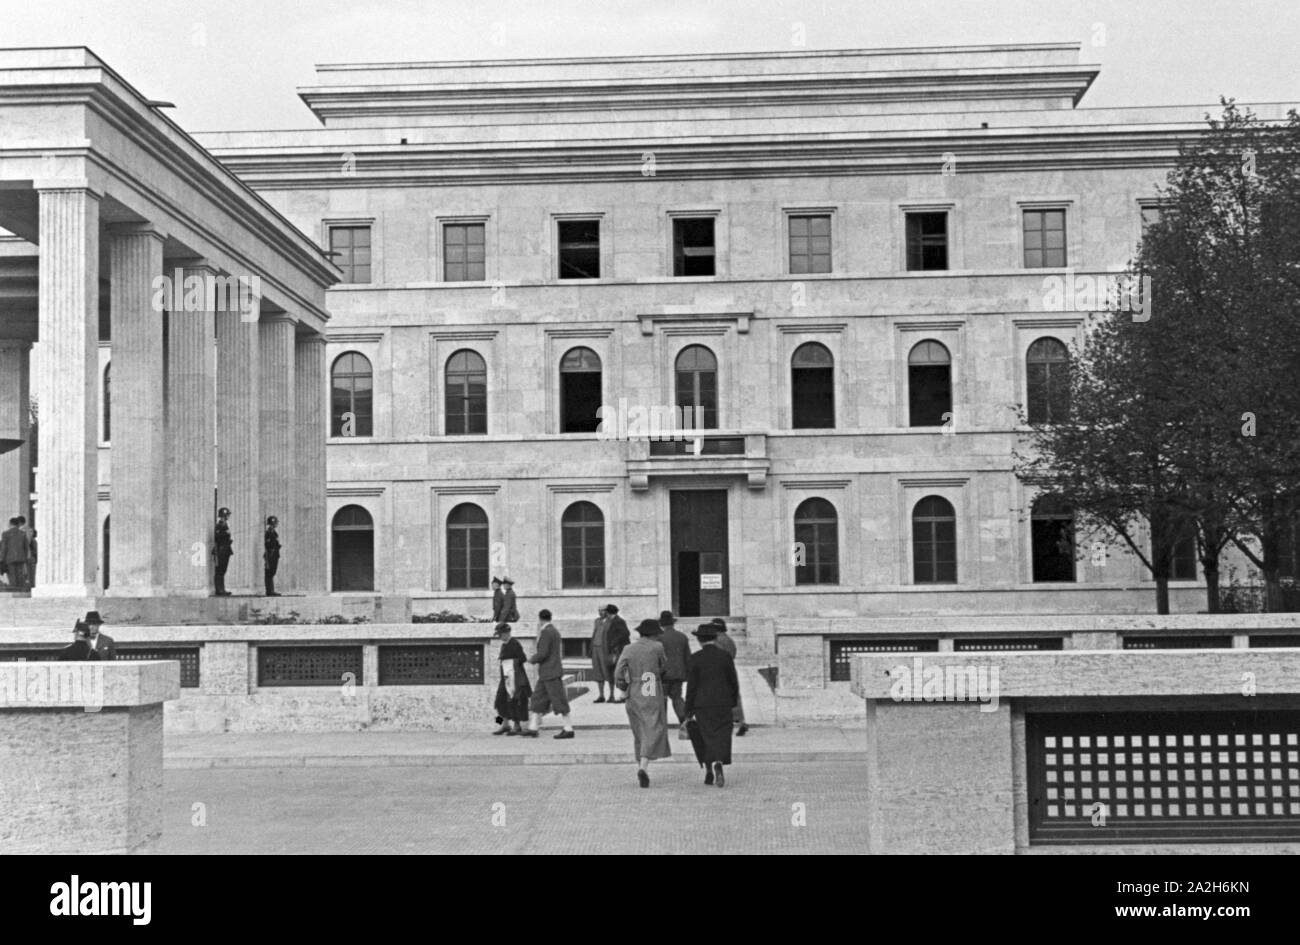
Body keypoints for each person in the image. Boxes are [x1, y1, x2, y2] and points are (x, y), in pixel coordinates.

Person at [614, 618, 672, 787]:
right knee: (653, 726)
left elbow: (619, 671)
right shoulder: (657, 647)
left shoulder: (628, 648)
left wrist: (623, 685)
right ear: (654, 634)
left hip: (634, 687)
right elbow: (664, 665)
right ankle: (644, 766)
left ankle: (640, 763)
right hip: (650, 685)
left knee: (638, 728)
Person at [686, 622, 741, 787]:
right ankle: (719, 762)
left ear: (699, 640)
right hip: (723, 702)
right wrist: (733, 701)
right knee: (722, 735)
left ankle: (708, 768)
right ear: (715, 638)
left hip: (702, 704)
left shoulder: (695, 658)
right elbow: (733, 682)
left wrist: (688, 708)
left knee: (705, 735)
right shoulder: (725, 656)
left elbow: (692, 686)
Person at [522, 609, 574, 739]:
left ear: (540, 619)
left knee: (559, 701)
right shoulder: (554, 631)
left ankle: (568, 729)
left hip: (550, 672)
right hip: (548, 672)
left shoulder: (546, 632)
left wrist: (532, 659)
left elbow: (543, 653)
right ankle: (533, 728)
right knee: (537, 699)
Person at [711, 617, 749, 736]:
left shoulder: (716, 641)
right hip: (731, 669)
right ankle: (741, 721)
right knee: (735, 696)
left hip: (719, 671)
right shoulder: (729, 640)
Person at [491, 622, 531, 735]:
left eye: (500, 634)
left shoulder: (515, 644)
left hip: (516, 678)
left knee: (515, 701)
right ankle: (504, 724)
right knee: (499, 701)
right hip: (505, 677)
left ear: (507, 633)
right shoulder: (504, 644)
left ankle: (517, 725)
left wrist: (512, 663)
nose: (499, 637)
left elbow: (523, 658)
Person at [657, 610, 691, 737]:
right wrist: (687, 673)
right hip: (678, 674)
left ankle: (661, 725)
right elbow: (687, 657)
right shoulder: (682, 637)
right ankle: (684, 722)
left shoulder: (658, 638)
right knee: (677, 698)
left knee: (662, 699)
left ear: (661, 624)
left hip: (663, 674)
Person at [604, 604, 630, 703]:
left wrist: (613, 643)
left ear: (608, 612)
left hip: (619, 650)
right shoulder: (614, 621)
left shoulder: (618, 621)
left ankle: (623, 694)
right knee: (616, 672)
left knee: (619, 673)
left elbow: (625, 634)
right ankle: (622, 694)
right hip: (617, 650)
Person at [589, 605, 613, 702]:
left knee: (608, 671)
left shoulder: (610, 621)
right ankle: (601, 695)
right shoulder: (597, 621)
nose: (600, 612)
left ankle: (611, 695)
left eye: (602, 610)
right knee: (598, 672)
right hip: (595, 648)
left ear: (606, 611)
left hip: (605, 649)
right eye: (599, 610)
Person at [0, 517, 29, 591]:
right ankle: (20, 591)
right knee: (20, 575)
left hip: (10, 558)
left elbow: (4, 547)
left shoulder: (5, 534)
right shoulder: (23, 533)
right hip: (21, 558)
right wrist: (25, 558)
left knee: (12, 576)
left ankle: (14, 591)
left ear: (10, 524)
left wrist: (1, 558)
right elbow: (26, 547)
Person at [213, 507, 233, 596]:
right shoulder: (220, 525)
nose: (228, 516)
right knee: (220, 570)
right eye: (227, 515)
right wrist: (226, 534)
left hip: (225, 550)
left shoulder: (224, 525)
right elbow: (218, 538)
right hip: (221, 550)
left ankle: (222, 589)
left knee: (223, 570)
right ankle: (219, 590)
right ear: (224, 516)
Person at [264, 515, 281, 596]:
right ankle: (269, 591)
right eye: (276, 522)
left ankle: (271, 590)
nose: (277, 524)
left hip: (274, 553)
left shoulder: (273, 531)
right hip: (271, 554)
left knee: (272, 572)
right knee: (270, 572)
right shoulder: (269, 532)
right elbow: (268, 544)